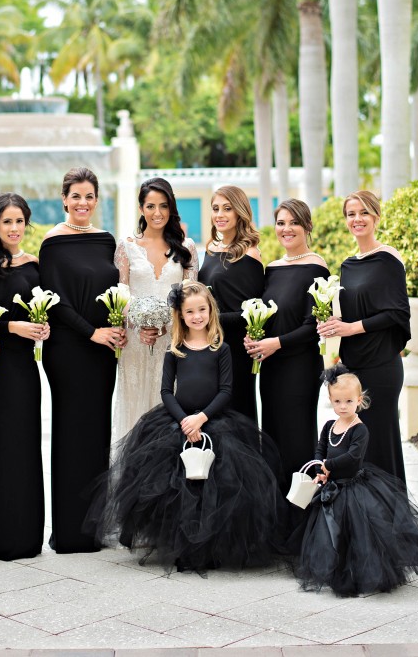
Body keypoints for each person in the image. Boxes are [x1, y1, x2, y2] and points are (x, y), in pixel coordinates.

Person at [85, 280, 286, 574]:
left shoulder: (222, 349)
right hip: (177, 422)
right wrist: (183, 420)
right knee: (179, 488)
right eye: (190, 311)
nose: (197, 316)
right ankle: (183, 548)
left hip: (213, 421)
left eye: (202, 309)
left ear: (210, 311)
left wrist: (201, 418)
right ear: (181, 315)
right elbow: (166, 391)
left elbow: (226, 391)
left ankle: (212, 547)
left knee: (215, 485)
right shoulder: (175, 348)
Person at [39, 167, 127, 553]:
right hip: (69, 350)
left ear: (96, 199)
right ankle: (69, 531)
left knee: (95, 435)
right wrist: (92, 333)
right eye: (76, 196)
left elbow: (116, 290)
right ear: (64, 199)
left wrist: (116, 326)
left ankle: (94, 528)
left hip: (104, 353)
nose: (82, 203)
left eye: (89, 196)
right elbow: (54, 300)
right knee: (70, 434)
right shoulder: (52, 243)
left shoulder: (107, 240)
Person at [295, 365, 418, 596]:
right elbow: (320, 449)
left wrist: (329, 466)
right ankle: (337, 571)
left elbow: (353, 457)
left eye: (348, 402)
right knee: (333, 533)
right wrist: (319, 467)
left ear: (359, 400)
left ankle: (362, 574)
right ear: (331, 400)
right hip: (332, 486)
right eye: (337, 401)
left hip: (353, 488)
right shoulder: (329, 426)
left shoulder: (359, 429)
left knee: (358, 535)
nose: (343, 407)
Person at [316, 190, 410, 482]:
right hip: (354, 367)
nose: (357, 219)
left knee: (381, 444)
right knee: (356, 452)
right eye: (351, 214)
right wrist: (333, 324)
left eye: (364, 213)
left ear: (376, 216)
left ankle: (390, 521)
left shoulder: (388, 258)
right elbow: (354, 310)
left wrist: (350, 328)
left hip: (381, 366)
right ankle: (361, 523)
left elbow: (395, 313)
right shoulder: (348, 265)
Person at [0, 193, 47, 560]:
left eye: (19, 221)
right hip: (0, 370)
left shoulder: (35, 264)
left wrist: (42, 328)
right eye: (7, 222)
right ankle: (3, 537)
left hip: (27, 369)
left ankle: (28, 536)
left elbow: (46, 307)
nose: (14, 228)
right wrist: (16, 326)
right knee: (5, 444)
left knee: (27, 444)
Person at [247, 199, 329, 481]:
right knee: (272, 436)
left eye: (294, 222)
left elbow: (313, 327)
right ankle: (276, 511)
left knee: (297, 436)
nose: (287, 229)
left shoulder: (317, 268)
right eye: (281, 223)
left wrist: (276, 343)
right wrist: (254, 335)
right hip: (271, 368)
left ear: (307, 226)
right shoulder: (271, 269)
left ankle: (302, 511)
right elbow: (266, 314)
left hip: (300, 367)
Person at [112, 177, 199, 443]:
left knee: (171, 407)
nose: (157, 213)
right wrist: (139, 324)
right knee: (136, 408)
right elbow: (121, 294)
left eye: (163, 205)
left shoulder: (187, 248)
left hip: (174, 342)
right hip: (136, 344)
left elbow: (193, 298)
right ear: (141, 208)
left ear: (171, 207)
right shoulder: (127, 247)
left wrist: (165, 324)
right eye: (150, 206)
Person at [198, 186, 264, 421]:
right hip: (208, 345)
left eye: (227, 209)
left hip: (236, 348)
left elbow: (252, 310)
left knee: (236, 412)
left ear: (239, 213)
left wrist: (209, 320)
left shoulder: (250, 254)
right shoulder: (210, 250)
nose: (220, 215)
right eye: (216, 209)